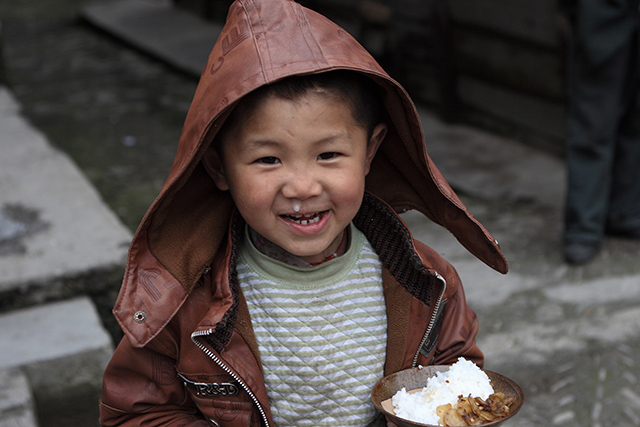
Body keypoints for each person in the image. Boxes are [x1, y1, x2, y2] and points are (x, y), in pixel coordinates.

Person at [98, 0, 508, 425]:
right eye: (268, 160)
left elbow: (458, 381)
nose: (302, 187)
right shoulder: (182, 302)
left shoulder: (428, 283)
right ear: (219, 167)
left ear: (370, 152)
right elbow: (137, 414)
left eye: (328, 154)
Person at [561, 0, 640, 265]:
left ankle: (624, 212)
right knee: (592, 123)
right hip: (602, 16)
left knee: (637, 122)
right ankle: (582, 228)